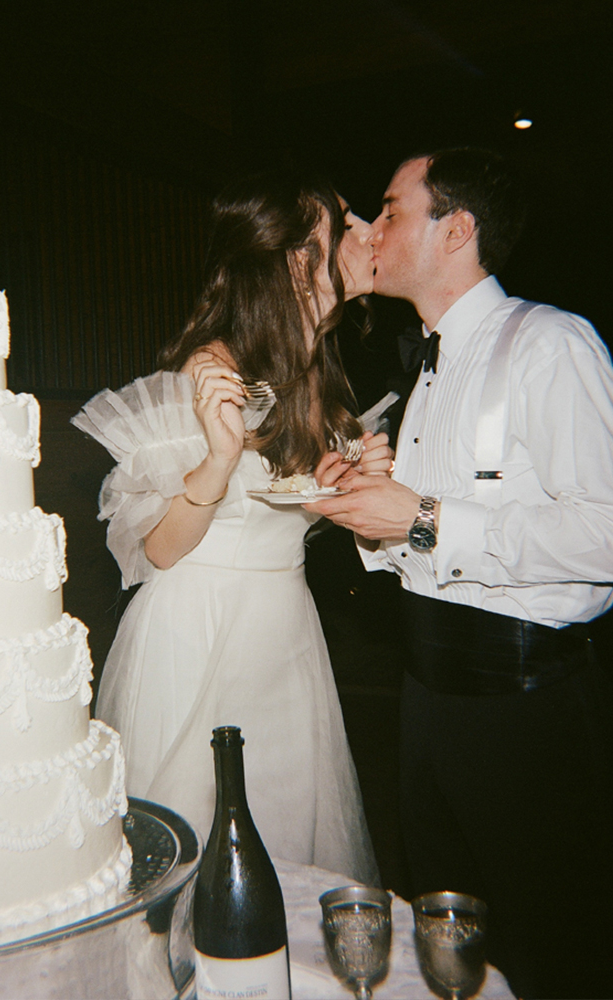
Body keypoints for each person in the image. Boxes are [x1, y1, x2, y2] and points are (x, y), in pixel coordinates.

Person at [311, 148, 613, 999]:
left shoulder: (549, 343)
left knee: (550, 947)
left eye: (391, 209)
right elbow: (427, 540)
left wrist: (423, 516)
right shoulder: (430, 367)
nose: (373, 231)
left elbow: (606, 533)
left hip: (526, 708)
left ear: (458, 229)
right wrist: (373, 511)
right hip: (428, 698)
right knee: (451, 947)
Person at [73, 172, 394, 883]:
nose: (372, 231)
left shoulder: (313, 369)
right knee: (202, 853)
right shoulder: (213, 368)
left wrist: (342, 493)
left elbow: (280, 511)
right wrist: (218, 462)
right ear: (296, 260)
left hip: (284, 630)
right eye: (349, 222)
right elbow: (156, 547)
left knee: (287, 835)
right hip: (201, 633)